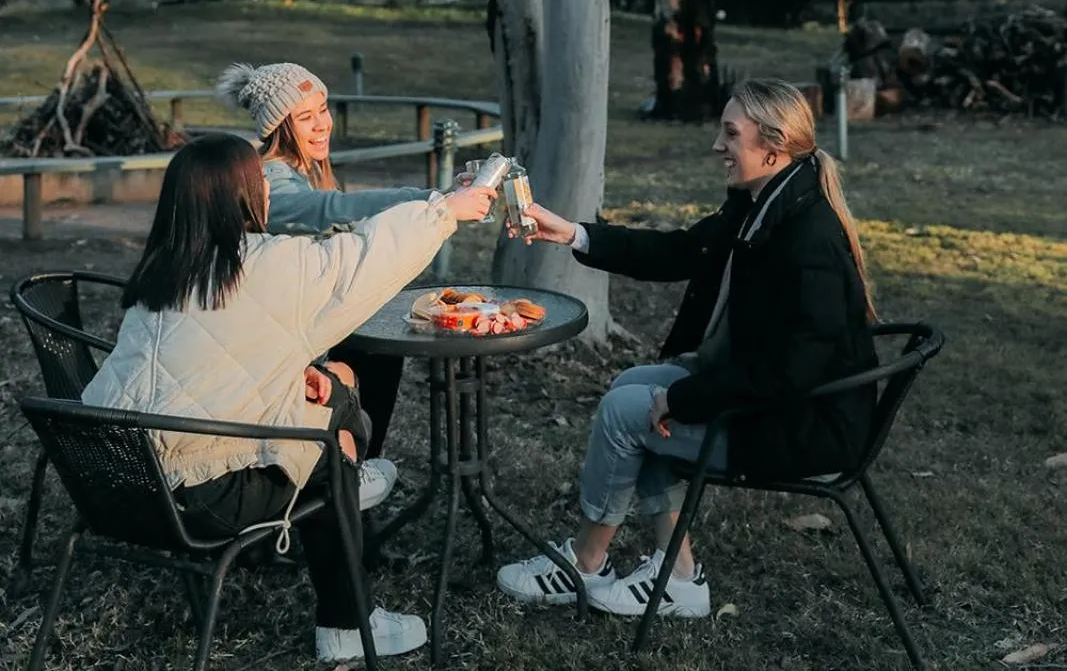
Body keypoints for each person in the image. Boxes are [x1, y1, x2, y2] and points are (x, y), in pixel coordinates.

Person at [83, 133, 494, 664]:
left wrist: (294, 369)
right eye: (260, 184)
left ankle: (350, 479)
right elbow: (365, 256)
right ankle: (347, 622)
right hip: (193, 501)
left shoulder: (163, 270)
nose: (270, 195)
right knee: (331, 447)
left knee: (328, 396)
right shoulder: (269, 264)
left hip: (109, 479)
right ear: (244, 198)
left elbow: (204, 362)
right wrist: (444, 211)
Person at [496, 78, 878, 620]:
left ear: (772, 148)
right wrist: (574, 234)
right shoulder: (765, 202)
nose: (717, 146)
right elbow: (679, 252)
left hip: (806, 428)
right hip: (778, 403)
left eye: (730, 134)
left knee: (630, 412)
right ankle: (679, 577)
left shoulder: (806, 237)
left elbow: (794, 369)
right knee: (633, 388)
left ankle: (584, 563)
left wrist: (690, 399)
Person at [216, 60, 432, 487]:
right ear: (279, 126)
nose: (322, 125)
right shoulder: (272, 181)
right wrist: (426, 199)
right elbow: (329, 212)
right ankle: (352, 476)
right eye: (305, 116)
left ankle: (356, 465)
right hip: (273, 345)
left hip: (293, 322)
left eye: (323, 109)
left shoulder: (300, 174)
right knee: (377, 349)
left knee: (378, 343)